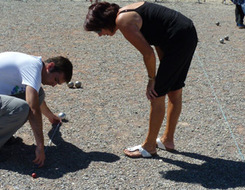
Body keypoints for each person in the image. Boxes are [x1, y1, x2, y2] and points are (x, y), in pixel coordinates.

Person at [84, 2, 198, 158]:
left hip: (178, 39)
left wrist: (152, 79)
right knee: (174, 90)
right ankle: (167, 140)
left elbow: (148, 53)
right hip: (185, 33)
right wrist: (164, 71)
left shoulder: (123, 21)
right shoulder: (126, 12)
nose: (99, 34)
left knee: (156, 94)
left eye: (98, 30)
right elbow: (159, 36)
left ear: (104, 22)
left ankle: (150, 146)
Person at [0, 52, 73, 166]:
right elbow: (33, 108)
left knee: (38, 94)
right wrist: (40, 146)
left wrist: (50, 116)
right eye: (56, 80)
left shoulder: (34, 65)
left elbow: (36, 98)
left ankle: (2, 138)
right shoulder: (32, 67)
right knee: (21, 108)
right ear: (50, 66)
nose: (54, 85)